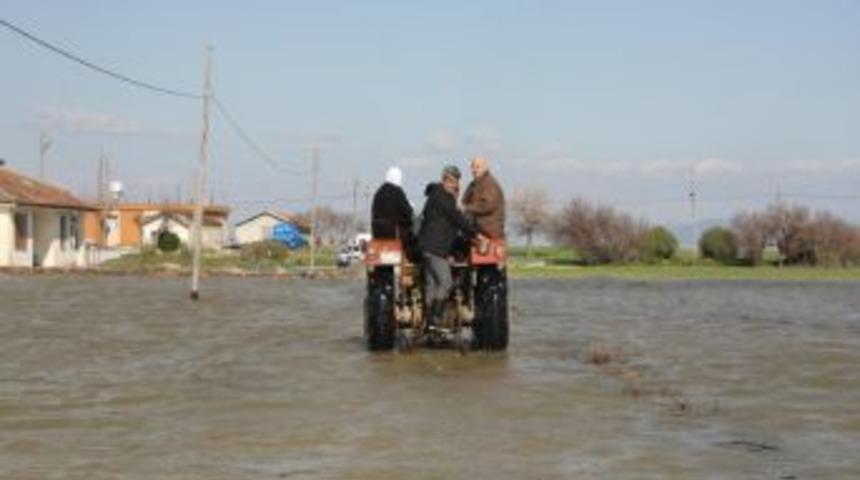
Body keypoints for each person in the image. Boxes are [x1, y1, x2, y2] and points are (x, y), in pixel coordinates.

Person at [418, 165, 483, 328]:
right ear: (444, 180)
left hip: (425, 247)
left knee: (432, 284)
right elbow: (458, 219)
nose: (454, 184)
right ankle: (435, 318)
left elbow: (446, 223)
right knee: (446, 283)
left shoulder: (433, 196)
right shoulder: (444, 198)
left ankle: (428, 323)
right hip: (435, 249)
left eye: (456, 181)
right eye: (451, 181)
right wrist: (475, 234)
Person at [370, 166, 415, 249]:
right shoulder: (397, 191)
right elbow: (407, 212)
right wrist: (411, 208)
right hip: (393, 233)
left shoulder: (379, 192)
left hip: (377, 233)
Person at [462, 156, 506, 239]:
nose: (474, 170)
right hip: (477, 230)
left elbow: (487, 205)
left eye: (477, 167)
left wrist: (467, 208)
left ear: (485, 167)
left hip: (488, 232)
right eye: (472, 167)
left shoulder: (489, 184)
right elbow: (464, 200)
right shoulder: (474, 184)